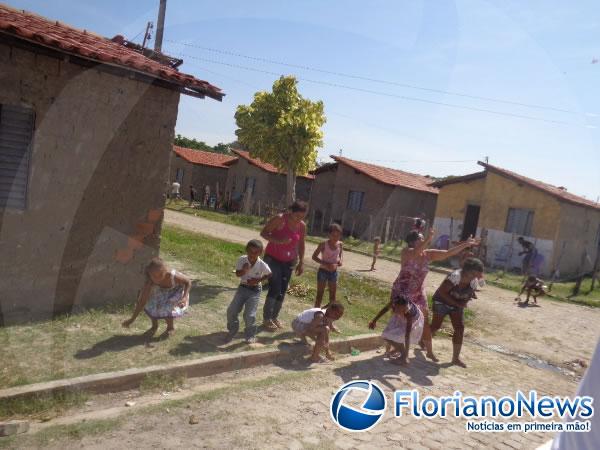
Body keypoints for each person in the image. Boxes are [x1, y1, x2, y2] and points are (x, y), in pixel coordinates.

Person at [369, 230, 480, 362]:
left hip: (418, 293)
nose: (424, 241)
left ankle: (429, 351)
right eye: (420, 239)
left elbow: (447, 253)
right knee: (399, 319)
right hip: (402, 291)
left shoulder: (428, 254)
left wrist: (466, 244)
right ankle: (390, 349)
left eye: (424, 239)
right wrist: (428, 238)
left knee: (425, 322)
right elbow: (416, 252)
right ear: (412, 242)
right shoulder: (406, 252)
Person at [261, 201, 308, 331]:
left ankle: (274, 317)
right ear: (291, 211)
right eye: (297, 216)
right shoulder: (280, 219)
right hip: (272, 258)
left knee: (282, 290)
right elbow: (264, 233)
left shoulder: (302, 226)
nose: (299, 219)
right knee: (275, 287)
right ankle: (266, 318)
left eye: (302, 216)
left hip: (289, 262)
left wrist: (301, 262)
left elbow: (301, 244)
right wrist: (279, 241)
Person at [429, 257, 484, 368]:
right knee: (436, 326)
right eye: (473, 273)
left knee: (459, 328)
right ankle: (423, 339)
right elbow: (442, 292)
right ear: (467, 270)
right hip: (441, 302)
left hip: (456, 304)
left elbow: (469, 295)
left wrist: (464, 302)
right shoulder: (455, 276)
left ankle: (455, 358)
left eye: (477, 275)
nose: (475, 277)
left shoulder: (474, 282)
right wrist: (458, 304)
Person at [122, 258, 191, 338]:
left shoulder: (172, 275)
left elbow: (188, 282)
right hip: (162, 291)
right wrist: (132, 319)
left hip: (176, 291)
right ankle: (154, 326)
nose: (158, 278)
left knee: (167, 307)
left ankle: (170, 328)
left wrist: (185, 297)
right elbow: (142, 302)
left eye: (161, 274)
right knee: (151, 304)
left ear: (165, 271)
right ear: (150, 275)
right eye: (154, 276)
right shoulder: (150, 282)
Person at [225, 240, 272, 344]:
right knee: (231, 310)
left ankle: (250, 334)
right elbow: (238, 274)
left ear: (260, 253)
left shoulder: (261, 264)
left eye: (256, 252)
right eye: (250, 251)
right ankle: (233, 330)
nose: (252, 254)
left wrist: (258, 280)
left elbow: (269, 274)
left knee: (249, 315)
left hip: (255, 290)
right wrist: (244, 271)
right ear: (246, 250)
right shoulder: (242, 260)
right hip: (242, 288)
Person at [373, 295, 424, 366]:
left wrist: (406, 356)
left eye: (402, 309)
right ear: (395, 306)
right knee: (386, 335)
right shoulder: (394, 302)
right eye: (398, 308)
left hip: (413, 321)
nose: (399, 310)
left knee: (396, 336)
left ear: (405, 307)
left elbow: (407, 335)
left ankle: (403, 357)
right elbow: (384, 309)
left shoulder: (409, 313)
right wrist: (374, 320)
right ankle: (399, 350)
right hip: (400, 318)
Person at [312, 223, 343, 308]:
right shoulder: (323, 244)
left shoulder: (340, 244)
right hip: (323, 271)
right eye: (333, 235)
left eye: (338, 235)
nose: (335, 238)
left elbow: (339, 256)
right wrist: (326, 264)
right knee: (320, 295)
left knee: (333, 296)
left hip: (334, 272)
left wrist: (339, 261)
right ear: (329, 235)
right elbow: (314, 257)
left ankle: (329, 316)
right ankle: (316, 313)